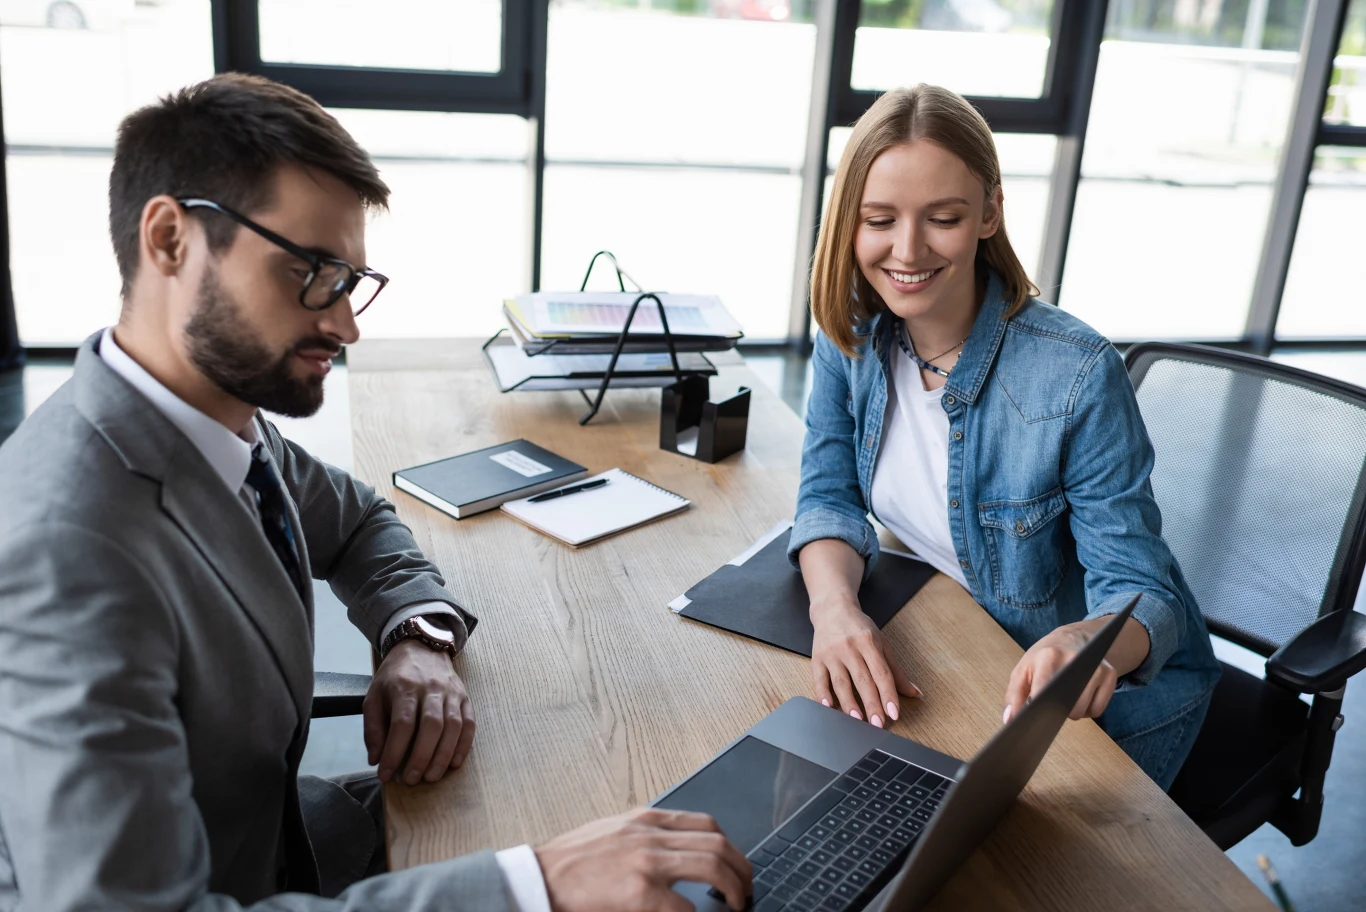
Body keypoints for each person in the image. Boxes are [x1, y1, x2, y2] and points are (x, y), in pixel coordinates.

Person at [0, 74, 751, 911]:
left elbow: (357, 522)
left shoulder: (214, 424)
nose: (346, 325)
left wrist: (414, 638)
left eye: (352, 281)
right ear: (171, 238)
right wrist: (532, 887)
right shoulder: (65, 549)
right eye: (312, 272)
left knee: (632, 809)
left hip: (282, 838)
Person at [789, 84, 1222, 790]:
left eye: (944, 217)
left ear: (989, 212)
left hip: (1103, 707)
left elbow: (1144, 591)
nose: (907, 250)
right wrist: (835, 610)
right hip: (962, 648)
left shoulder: (1076, 374)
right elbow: (826, 496)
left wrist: (1090, 645)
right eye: (879, 219)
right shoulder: (853, 335)